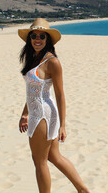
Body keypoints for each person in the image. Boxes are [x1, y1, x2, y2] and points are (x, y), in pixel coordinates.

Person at [18, 18, 91, 193]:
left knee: (39, 160)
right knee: (54, 156)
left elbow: (59, 95)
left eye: (42, 36)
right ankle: (83, 190)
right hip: (37, 111)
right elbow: (33, 92)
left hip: (43, 114)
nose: (37, 39)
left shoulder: (52, 62)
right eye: (34, 35)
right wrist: (25, 113)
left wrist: (63, 125)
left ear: (47, 39)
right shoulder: (34, 57)